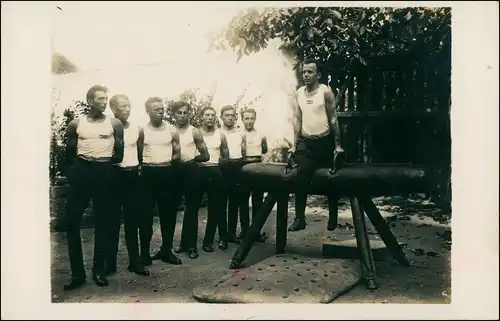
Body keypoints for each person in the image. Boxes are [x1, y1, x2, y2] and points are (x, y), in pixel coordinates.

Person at [63, 85, 124, 290]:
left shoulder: (114, 123)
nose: (104, 102)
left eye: (106, 98)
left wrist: (101, 164)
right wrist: (80, 170)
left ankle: (99, 271)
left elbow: (119, 154)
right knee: (72, 221)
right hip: (82, 171)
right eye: (100, 99)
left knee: (104, 222)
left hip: (104, 170)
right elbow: (70, 153)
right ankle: (77, 275)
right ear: (90, 101)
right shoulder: (75, 124)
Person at [288, 58, 344, 232]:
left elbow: (333, 119)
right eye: (304, 72)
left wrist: (337, 145)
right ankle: (299, 218)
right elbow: (297, 119)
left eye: (310, 72)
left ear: (318, 75)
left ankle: (333, 215)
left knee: (331, 179)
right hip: (306, 141)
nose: (306, 75)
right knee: (302, 173)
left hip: (324, 141)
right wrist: (294, 144)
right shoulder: (299, 93)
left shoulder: (325, 92)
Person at [107, 94, 149, 277]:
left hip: (132, 176)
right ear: (113, 109)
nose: (127, 109)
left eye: (129, 105)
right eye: (122, 106)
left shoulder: (137, 129)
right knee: (112, 221)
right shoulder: (107, 127)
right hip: (114, 176)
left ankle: (135, 261)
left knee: (133, 221)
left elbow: (139, 155)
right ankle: (110, 263)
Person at [140, 97, 182, 266]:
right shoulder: (142, 131)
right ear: (147, 111)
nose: (160, 112)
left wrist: (168, 164)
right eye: (156, 109)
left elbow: (177, 154)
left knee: (168, 214)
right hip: (148, 174)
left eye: (162, 109)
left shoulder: (172, 131)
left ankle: (166, 250)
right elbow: (138, 153)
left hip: (167, 172)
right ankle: (144, 253)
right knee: (145, 216)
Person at [168, 101, 210, 260]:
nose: (183, 115)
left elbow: (206, 155)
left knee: (192, 208)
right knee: (172, 208)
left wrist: (191, 159)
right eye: (179, 112)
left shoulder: (195, 132)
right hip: (174, 171)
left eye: (186, 112)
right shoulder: (169, 131)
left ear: (189, 114)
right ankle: (174, 246)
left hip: (191, 171)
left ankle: (191, 245)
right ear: (174, 115)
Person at [198, 106, 230, 252]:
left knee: (217, 207)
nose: (210, 117)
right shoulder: (196, 133)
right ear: (202, 117)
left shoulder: (220, 135)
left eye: (212, 115)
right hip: (198, 170)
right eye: (207, 115)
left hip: (215, 171)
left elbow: (225, 156)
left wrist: (220, 167)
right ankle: (188, 243)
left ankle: (216, 239)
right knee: (193, 208)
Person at [239, 108, 268, 242]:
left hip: (257, 167)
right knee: (243, 201)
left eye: (251, 118)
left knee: (258, 202)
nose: (249, 121)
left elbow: (264, 149)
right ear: (242, 119)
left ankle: (256, 231)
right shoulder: (239, 134)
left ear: (255, 119)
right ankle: (245, 231)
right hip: (243, 168)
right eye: (246, 118)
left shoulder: (261, 134)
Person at [219, 105, 246, 244]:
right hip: (223, 169)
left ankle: (232, 233)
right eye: (227, 115)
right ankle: (223, 236)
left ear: (236, 117)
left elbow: (244, 152)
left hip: (237, 167)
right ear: (221, 117)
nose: (230, 118)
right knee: (222, 203)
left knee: (234, 202)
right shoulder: (218, 133)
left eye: (232, 115)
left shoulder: (240, 133)